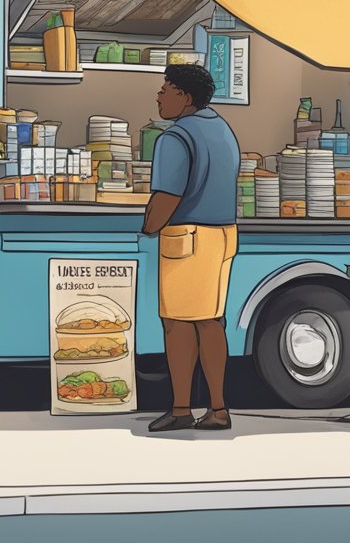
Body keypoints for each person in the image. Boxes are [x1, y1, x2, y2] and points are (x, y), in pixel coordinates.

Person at [141, 64, 240, 432]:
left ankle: (181, 408)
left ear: (184, 96)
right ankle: (217, 407)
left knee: (178, 326)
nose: (158, 96)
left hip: (188, 239)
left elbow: (167, 196)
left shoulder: (175, 137)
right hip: (223, 235)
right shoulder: (222, 130)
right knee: (211, 322)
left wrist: (148, 226)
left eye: (165, 89)